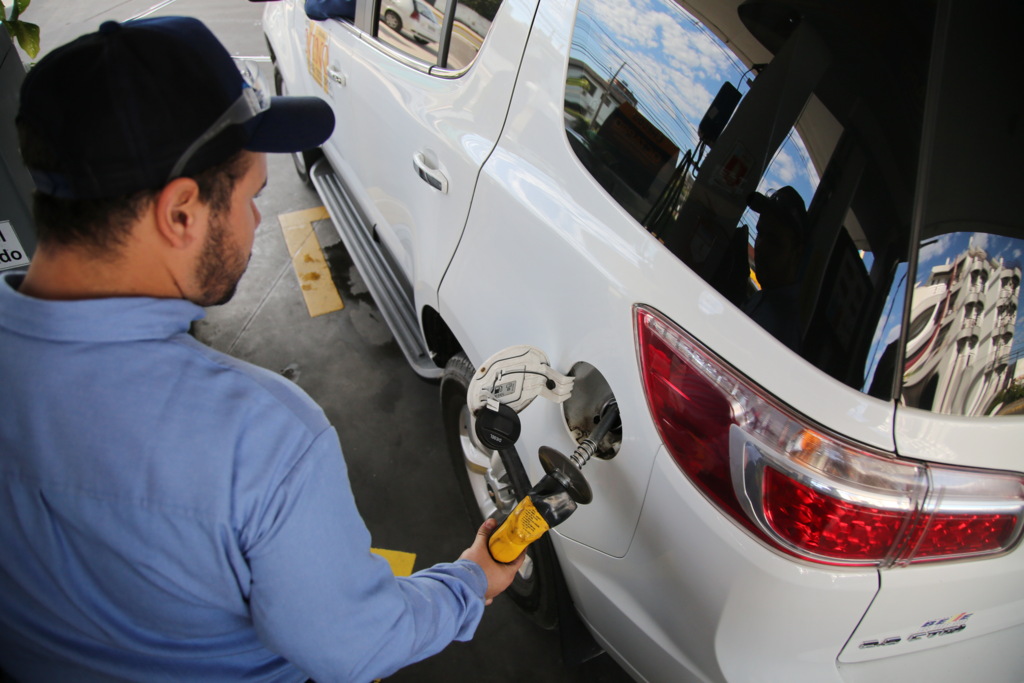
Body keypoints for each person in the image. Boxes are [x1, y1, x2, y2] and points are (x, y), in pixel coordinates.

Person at [0, 16, 522, 682]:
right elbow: (353, 646)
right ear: (181, 212)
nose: (255, 222)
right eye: (250, 196)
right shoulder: (262, 440)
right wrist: (469, 580)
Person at [743, 186, 809, 353]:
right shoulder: (763, 297)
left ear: (796, 252)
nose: (760, 246)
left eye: (773, 239)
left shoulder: (784, 328)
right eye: (760, 233)